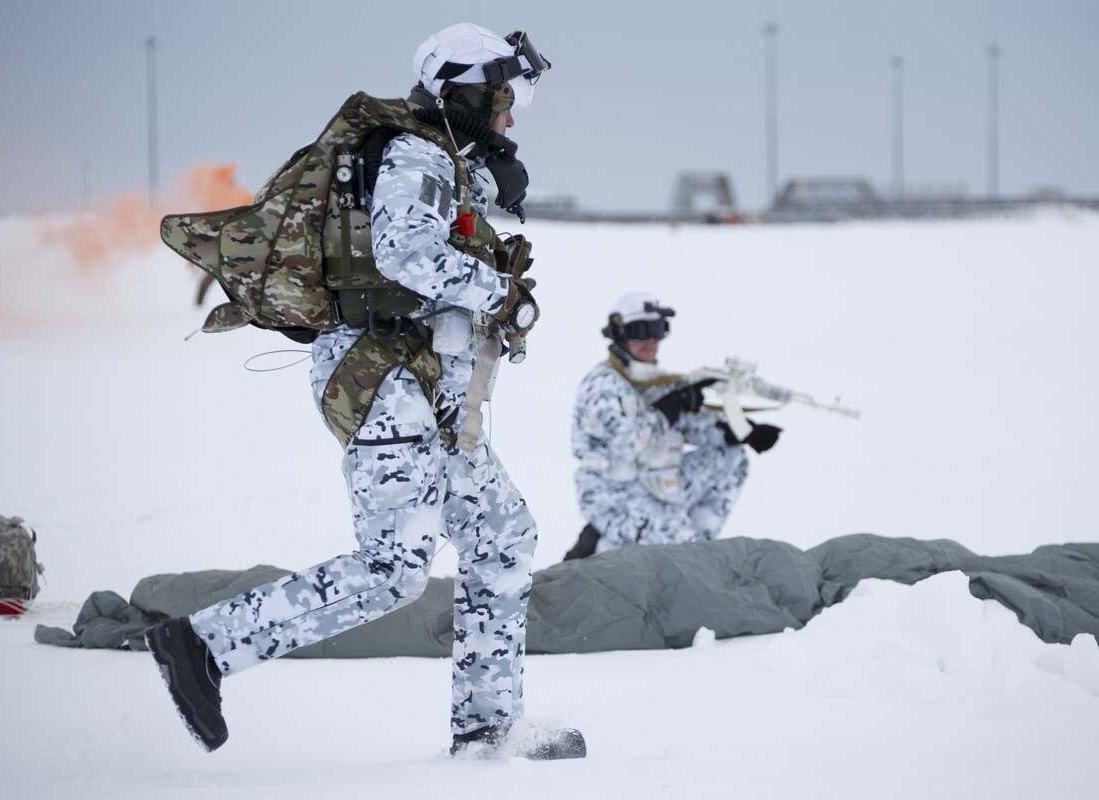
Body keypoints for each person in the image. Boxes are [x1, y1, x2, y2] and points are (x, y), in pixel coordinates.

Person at [145, 23, 584, 760]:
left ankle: (487, 731)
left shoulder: (441, 157)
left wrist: (493, 293)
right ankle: (203, 644)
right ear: (470, 92)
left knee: (502, 537)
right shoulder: (411, 153)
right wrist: (495, 290)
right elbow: (403, 250)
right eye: (506, 99)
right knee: (394, 570)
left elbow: (430, 258)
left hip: (427, 382)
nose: (511, 118)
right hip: (379, 377)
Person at [566, 292, 781, 559]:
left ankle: (690, 544)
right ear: (620, 334)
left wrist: (736, 432)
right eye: (641, 331)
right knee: (684, 555)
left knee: (731, 458)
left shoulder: (651, 380)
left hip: (656, 483)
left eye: (657, 330)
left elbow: (689, 423)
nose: (651, 341)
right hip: (613, 494)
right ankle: (604, 548)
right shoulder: (602, 386)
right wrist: (668, 410)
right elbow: (627, 445)